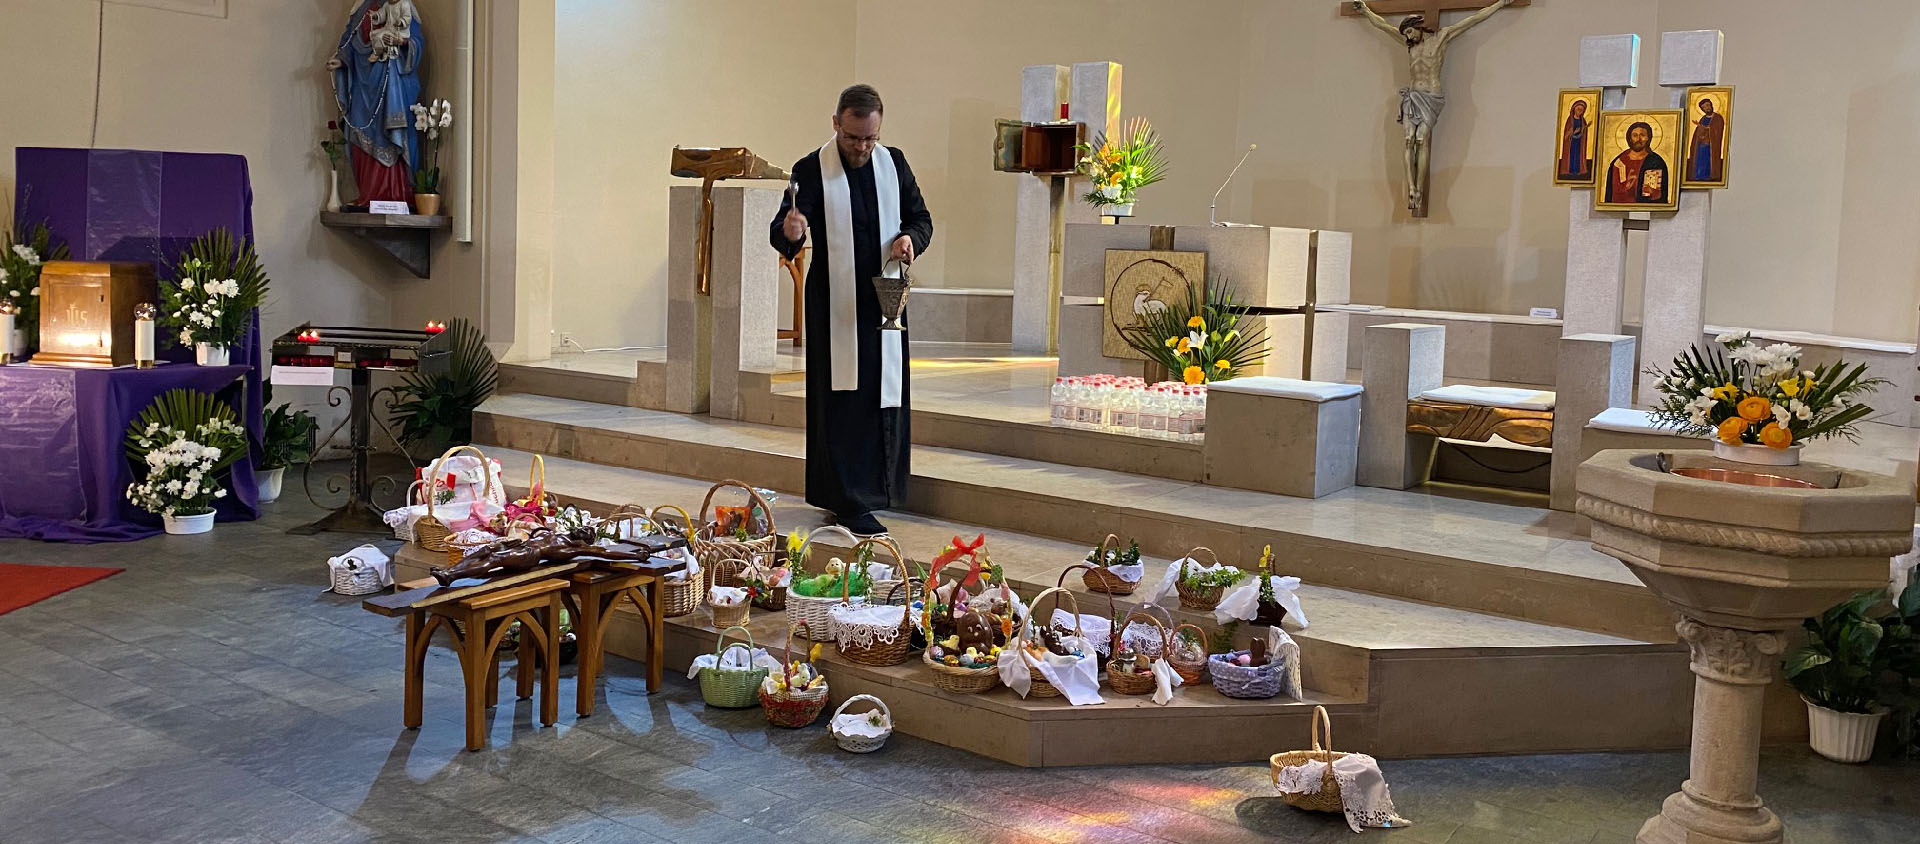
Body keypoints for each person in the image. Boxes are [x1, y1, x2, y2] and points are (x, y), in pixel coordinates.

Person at [769, 84, 934, 537]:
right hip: (835, 307)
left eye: (870, 139)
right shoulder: (810, 169)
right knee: (841, 403)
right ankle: (846, 498)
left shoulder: (893, 163)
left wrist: (909, 241)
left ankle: (881, 489)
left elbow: (922, 221)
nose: (862, 148)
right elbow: (783, 232)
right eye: (853, 138)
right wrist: (790, 230)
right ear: (836, 124)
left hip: (884, 301)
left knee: (884, 396)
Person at [329, 0, 424, 205]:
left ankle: (395, 195)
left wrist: (401, 42)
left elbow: (417, 40)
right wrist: (342, 61)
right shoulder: (361, 10)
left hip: (392, 85)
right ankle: (369, 194)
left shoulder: (402, 4)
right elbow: (348, 43)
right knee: (359, 129)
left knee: (392, 131)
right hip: (363, 88)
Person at [1605, 121, 1669, 205]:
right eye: (1635, 135)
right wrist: (1626, 187)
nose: (1638, 139)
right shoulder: (1620, 162)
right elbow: (1611, 192)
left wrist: (1654, 192)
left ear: (1648, 138)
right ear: (1629, 138)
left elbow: (1662, 195)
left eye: (1642, 135)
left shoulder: (1656, 161)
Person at [1689, 97, 1725, 182]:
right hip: (1701, 145)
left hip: (1711, 146)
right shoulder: (1703, 118)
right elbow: (1699, 133)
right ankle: (1698, 176)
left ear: (1711, 105)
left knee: (1709, 161)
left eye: (1708, 105)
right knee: (1700, 160)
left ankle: (1710, 175)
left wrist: (1706, 128)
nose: (1707, 108)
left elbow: (1717, 130)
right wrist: (1701, 129)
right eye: (1704, 107)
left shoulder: (1717, 118)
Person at [1560, 99, 1590, 180]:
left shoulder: (1583, 121)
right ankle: (1570, 171)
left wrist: (1583, 129)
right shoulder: (1570, 120)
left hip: (1579, 142)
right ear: (1574, 109)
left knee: (1578, 156)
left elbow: (1584, 133)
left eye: (1581, 110)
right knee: (1571, 156)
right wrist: (1573, 132)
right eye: (1578, 109)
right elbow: (1566, 134)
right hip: (1571, 143)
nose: (1580, 111)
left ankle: (1577, 171)